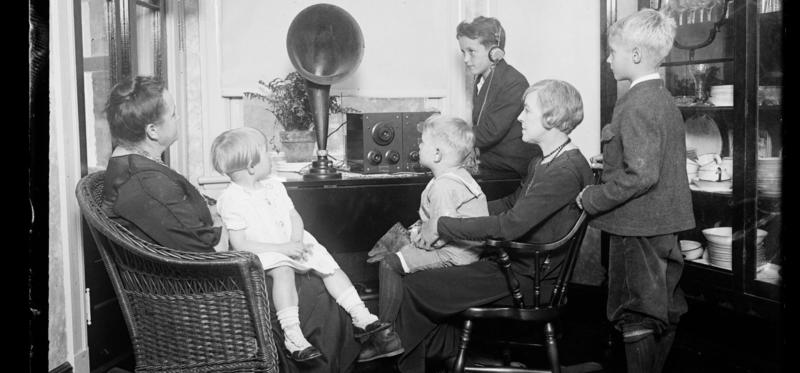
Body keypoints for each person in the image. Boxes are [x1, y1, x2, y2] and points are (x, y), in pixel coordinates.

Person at [102, 76, 363, 373]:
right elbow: (204, 249)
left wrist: (222, 215)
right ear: (152, 130)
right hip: (207, 289)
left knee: (305, 266)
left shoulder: (138, 165)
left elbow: (185, 224)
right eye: (172, 113)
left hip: (206, 270)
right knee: (312, 286)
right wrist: (226, 218)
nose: (178, 118)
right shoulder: (145, 184)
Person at [376, 80, 594, 372]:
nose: (519, 117)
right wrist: (458, 213)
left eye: (527, 110)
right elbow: (509, 204)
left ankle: (423, 360)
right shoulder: (544, 163)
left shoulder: (564, 171)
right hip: (513, 267)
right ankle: (451, 353)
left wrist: (443, 225)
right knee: (415, 280)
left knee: (415, 287)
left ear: (550, 118)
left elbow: (510, 226)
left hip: (528, 280)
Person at [211, 127, 403, 363]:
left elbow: (294, 216)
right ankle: (293, 335)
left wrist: (296, 240)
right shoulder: (232, 199)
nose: (272, 153)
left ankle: (361, 315)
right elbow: (240, 243)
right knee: (283, 271)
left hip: (290, 241)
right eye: (265, 151)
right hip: (262, 251)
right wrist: (283, 249)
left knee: (327, 264)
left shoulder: (274, 185)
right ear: (251, 166)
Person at [575, 9, 694, 373]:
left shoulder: (635, 102)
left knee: (636, 314)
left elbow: (642, 174)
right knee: (666, 307)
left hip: (636, 228)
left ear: (637, 55)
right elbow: (654, 158)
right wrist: (610, 160)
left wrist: (591, 198)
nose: (608, 59)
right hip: (665, 224)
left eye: (613, 51)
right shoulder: (662, 97)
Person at [366, 115, 489, 355]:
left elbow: (443, 230)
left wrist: (417, 240)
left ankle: (385, 334)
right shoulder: (458, 177)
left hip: (456, 254)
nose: (418, 146)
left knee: (390, 263)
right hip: (463, 249)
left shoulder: (444, 186)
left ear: (437, 154)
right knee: (394, 243)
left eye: (422, 143)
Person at [457, 16, 541, 178]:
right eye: (463, 52)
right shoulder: (481, 79)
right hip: (491, 161)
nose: (466, 59)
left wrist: (451, 138)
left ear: (495, 53)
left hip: (511, 169)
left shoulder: (514, 82)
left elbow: (489, 132)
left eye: (471, 52)